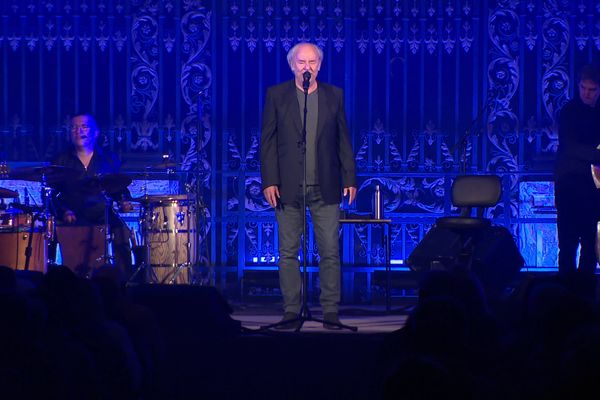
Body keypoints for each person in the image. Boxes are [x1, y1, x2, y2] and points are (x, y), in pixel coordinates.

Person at [260, 42, 357, 329]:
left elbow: (343, 139)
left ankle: (330, 310)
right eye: (302, 62)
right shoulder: (277, 95)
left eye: (312, 62)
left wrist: (349, 177)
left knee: (329, 249)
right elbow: (267, 142)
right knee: (288, 251)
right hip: (289, 186)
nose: (307, 67)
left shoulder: (333, 95)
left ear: (320, 65)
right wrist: (270, 180)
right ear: (292, 66)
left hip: (325, 185)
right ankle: (291, 309)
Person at [51, 113, 133, 277]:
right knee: (51, 231)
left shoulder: (109, 159)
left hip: (102, 213)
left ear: (96, 133)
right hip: (73, 215)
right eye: (74, 127)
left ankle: (124, 280)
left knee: (122, 230)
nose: (78, 131)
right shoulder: (60, 159)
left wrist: (124, 201)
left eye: (84, 126)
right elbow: (53, 195)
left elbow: (118, 187)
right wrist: (64, 211)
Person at [555, 64, 600, 297]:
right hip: (570, 185)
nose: (586, 93)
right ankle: (565, 294)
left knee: (591, 244)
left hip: (593, 188)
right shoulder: (569, 111)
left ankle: (584, 295)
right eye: (583, 88)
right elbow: (571, 146)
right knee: (567, 243)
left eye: (592, 89)